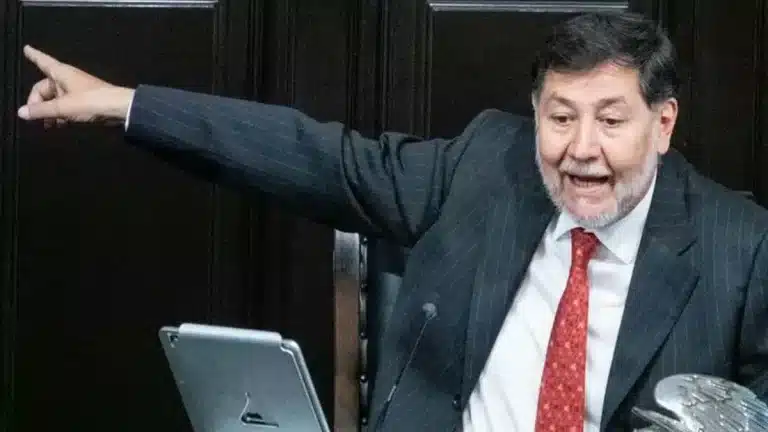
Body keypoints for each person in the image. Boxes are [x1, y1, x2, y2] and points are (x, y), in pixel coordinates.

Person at [16, 11, 768, 432]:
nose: (581, 150)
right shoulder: (487, 164)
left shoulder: (741, 249)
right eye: (561, 117)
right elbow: (318, 158)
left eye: (611, 120)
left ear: (663, 124)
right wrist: (125, 104)